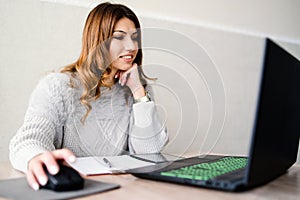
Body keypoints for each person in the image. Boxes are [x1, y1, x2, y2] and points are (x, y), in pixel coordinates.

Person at [9, 2, 168, 190]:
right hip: (76, 190)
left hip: (122, 191)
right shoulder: (58, 87)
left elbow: (149, 154)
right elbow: (28, 140)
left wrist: (139, 93)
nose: (131, 46)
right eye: (119, 37)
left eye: (135, 38)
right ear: (98, 40)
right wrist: (35, 157)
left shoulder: (137, 89)